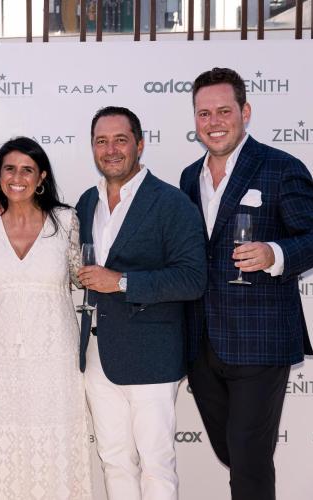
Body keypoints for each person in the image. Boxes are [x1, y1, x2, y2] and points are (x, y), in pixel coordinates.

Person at [180, 67, 313, 500]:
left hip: (260, 339)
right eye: (204, 113)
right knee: (233, 453)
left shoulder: (280, 167)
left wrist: (274, 253)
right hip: (203, 344)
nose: (214, 122)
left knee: (249, 460)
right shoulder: (189, 177)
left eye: (224, 111)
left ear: (246, 112)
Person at [76, 106, 206, 500]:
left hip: (152, 354)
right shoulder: (87, 201)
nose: (111, 149)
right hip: (96, 354)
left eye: (120, 140)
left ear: (140, 144)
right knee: (113, 460)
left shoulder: (171, 202)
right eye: (101, 141)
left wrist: (121, 282)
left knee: (156, 464)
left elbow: (192, 278)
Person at [0, 137, 92, 500]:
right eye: (10, 169)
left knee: (53, 440)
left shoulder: (66, 221)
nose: (18, 178)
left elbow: (81, 277)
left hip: (55, 357)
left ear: (42, 176)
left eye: (27, 170)